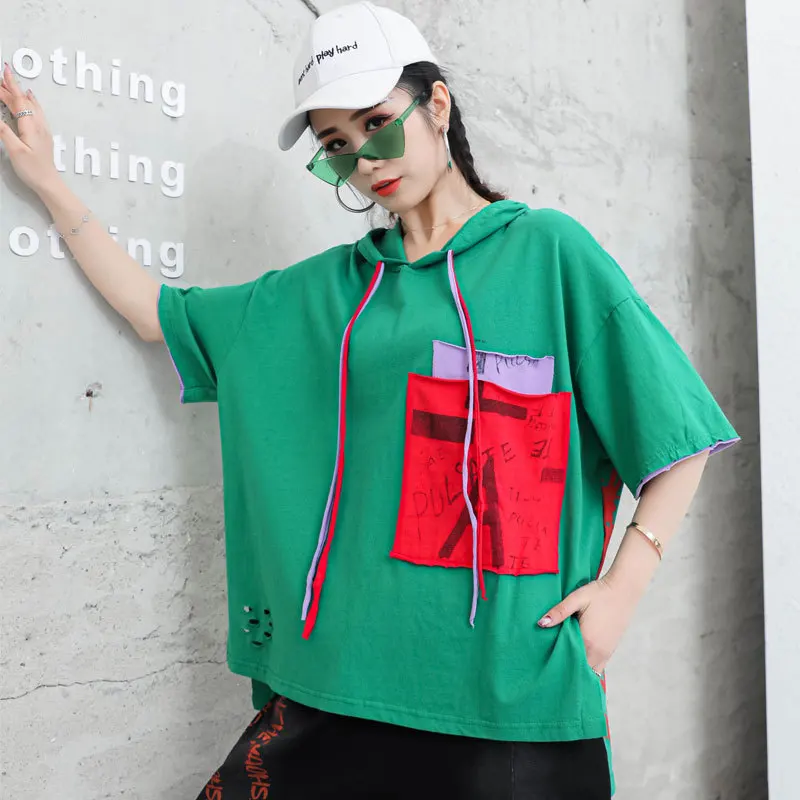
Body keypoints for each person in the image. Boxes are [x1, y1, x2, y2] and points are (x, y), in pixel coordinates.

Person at [0, 2, 739, 798]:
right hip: (337, 688)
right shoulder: (325, 294)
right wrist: (47, 181)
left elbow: (678, 435)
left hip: (510, 703)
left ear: (438, 104)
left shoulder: (548, 254)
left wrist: (622, 592)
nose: (365, 160)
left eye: (379, 124)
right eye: (336, 146)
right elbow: (158, 314)